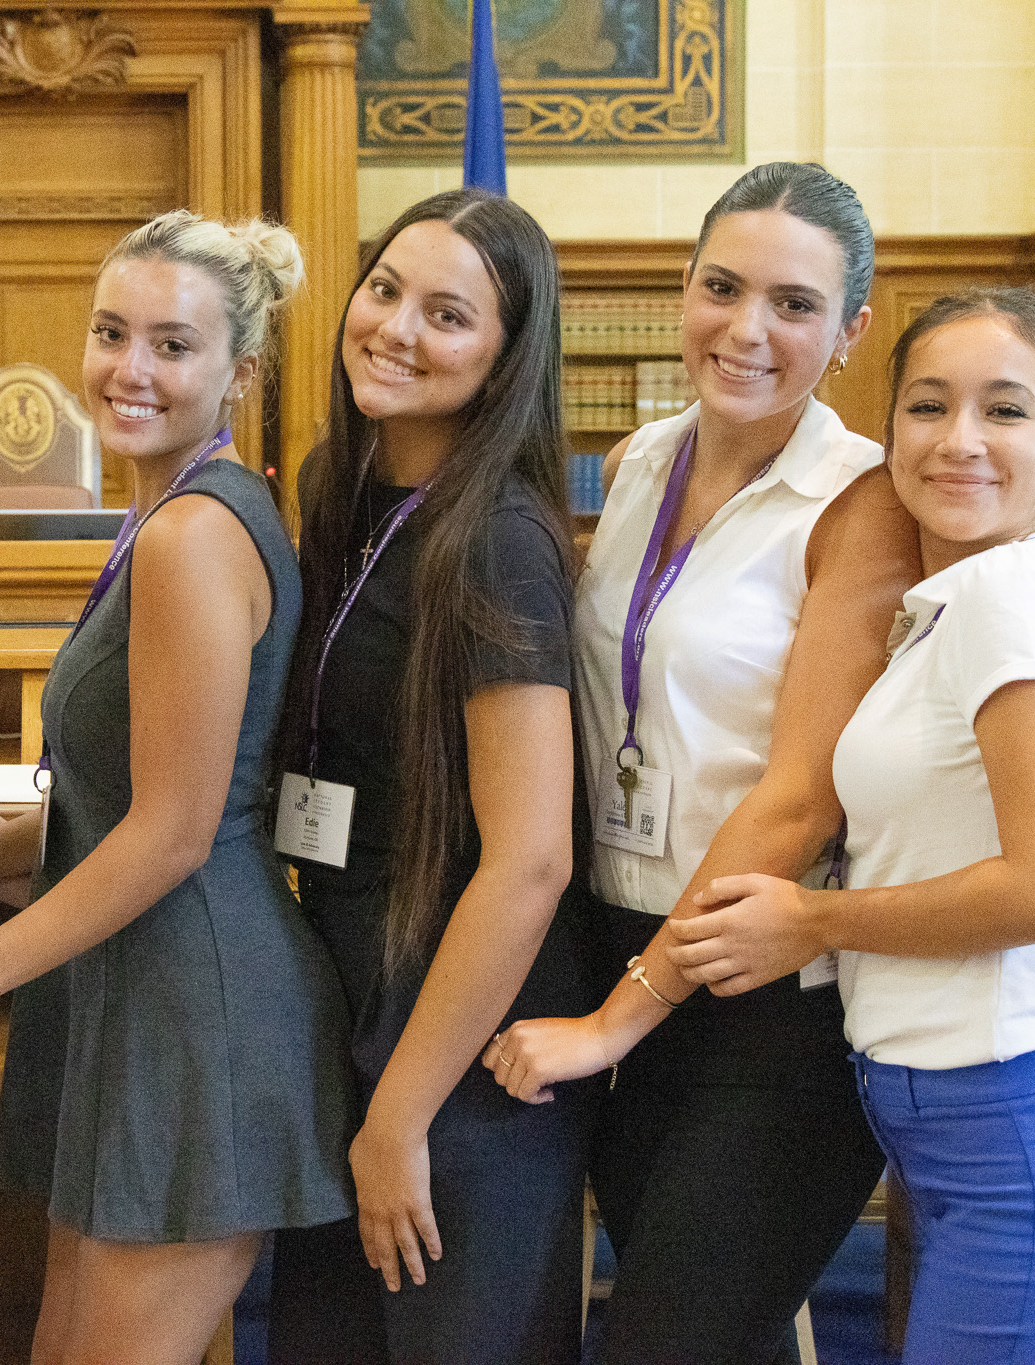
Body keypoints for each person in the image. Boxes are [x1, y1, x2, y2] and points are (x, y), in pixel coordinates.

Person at [0, 209, 352, 1365]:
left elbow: (172, 834)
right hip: (131, 991)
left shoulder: (192, 537)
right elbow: (110, 802)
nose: (129, 370)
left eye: (172, 345)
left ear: (241, 372)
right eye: (111, 332)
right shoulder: (159, 513)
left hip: (197, 1005)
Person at [666, 285, 1035, 1362]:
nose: (959, 441)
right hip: (962, 1136)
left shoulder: (1006, 602)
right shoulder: (950, 602)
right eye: (928, 406)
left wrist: (813, 920)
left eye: (1004, 411)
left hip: (1026, 1145)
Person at [488, 162, 919, 1361]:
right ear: (682, 287)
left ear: (849, 331)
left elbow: (797, 801)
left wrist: (614, 1022)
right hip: (618, 940)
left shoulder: (860, 501)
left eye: (793, 304)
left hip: (763, 1005)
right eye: (721, 288)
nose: (745, 329)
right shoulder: (636, 461)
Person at [260, 188, 591, 1365]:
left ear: (504, 358)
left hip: (461, 1039)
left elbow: (530, 860)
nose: (394, 328)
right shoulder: (337, 491)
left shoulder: (495, 540)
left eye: (446, 315)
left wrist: (400, 1114)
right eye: (384, 290)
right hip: (350, 991)